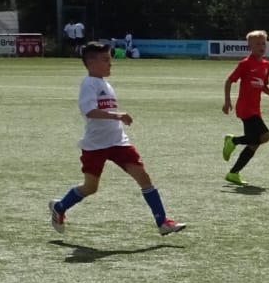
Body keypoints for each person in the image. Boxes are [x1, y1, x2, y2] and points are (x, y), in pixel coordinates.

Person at [48, 41, 187, 236]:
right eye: (105, 60)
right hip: (96, 145)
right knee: (90, 187)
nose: (110, 63)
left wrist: (116, 119)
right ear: (91, 63)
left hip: (118, 142)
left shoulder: (105, 84)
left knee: (143, 177)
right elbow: (89, 111)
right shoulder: (88, 84)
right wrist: (117, 115)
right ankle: (60, 207)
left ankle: (162, 222)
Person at [222, 30, 269, 185]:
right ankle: (233, 141)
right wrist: (227, 101)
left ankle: (233, 173)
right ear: (250, 47)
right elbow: (229, 81)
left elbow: (263, 86)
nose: (261, 46)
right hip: (245, 108)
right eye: (257, 44)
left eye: (263, 43)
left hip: (256, 109)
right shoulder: (245, 64)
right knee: (266, 136)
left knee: (254, 143)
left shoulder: (266, 65)